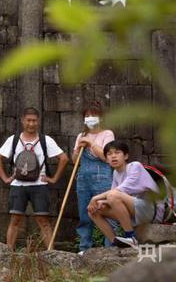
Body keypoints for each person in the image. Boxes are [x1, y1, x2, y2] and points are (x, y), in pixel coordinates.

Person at [0, 107, 69, 251]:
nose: (31, 124)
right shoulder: (14, 139)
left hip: (39, 184)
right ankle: (9, 253)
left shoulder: (45, 140)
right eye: (28, 120)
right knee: (15, 220)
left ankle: (51, 253)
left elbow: (64, 158)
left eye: (34, 121)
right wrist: (5, 178)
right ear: (22, 121)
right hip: (17, 185)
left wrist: (53, 179)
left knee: (43, 221)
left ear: (38, 122)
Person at [88, 140, 162, 248]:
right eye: (109, 154)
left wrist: (95, 198)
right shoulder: (116, 173)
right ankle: (115, 243)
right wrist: (100, 202)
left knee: (111, 196)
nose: (113, 156)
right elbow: (113, 197)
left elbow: (120, 191)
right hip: (135, 210)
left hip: (151, 210)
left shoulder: (135, 166)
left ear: (126, 156)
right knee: (93, 210)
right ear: (106, 159)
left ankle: (130, 237)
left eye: (117, 153)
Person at [72, 102, 115, 254]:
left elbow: (107, 157)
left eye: (93, 115)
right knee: (84, 216)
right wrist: (78, 148)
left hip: (102, 178)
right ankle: (84, 249)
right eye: (87, 115)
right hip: (83, 179)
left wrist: (90, 143)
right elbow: (74, 160)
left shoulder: (107, 134)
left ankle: (110, 248)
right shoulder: (81, 135)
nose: (90, 118)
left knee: (106, 212)